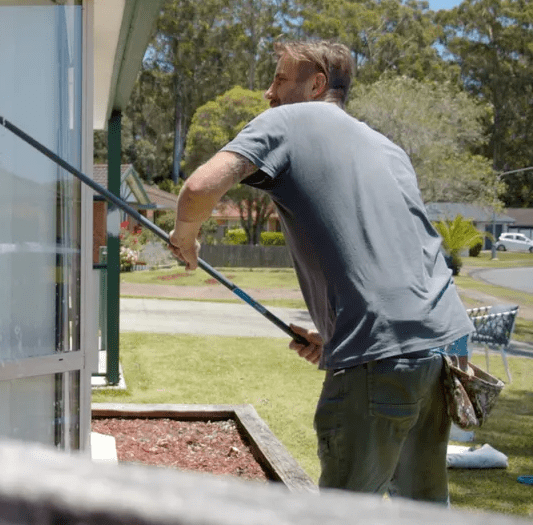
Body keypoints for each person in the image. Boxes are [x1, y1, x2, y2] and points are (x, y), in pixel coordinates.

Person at [168, 40, 474, 503]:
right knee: (425, 509)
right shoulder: (388, 148)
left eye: (278, 79)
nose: (268, 93)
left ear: (316, 85)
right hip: (443, 346)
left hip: (381, 357)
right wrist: (335, 336)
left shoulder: (285, 121)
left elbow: (198, 187)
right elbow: (398, 258)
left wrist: (185, 236)